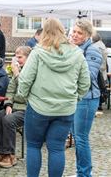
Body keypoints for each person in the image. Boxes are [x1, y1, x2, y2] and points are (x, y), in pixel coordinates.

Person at [18, 18, 90, 177]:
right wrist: (74, 98)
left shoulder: (38, 52)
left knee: (33, 146)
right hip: (65, 109)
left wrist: (23, 97)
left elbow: (24, 79)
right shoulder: (77, 53)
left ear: (44, 32)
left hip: (38, 106)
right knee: (57, 148)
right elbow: (85, 83)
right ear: (63, 31)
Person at [70, 20, 103, 177]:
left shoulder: (92, 51)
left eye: (79, 33)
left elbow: (88, 77)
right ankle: (80, 172)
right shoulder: (75, 49)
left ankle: (84, 174)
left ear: (88, 35)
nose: (75, 35)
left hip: (87, 98)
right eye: (74, 31)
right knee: (77, 137)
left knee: (81, 138)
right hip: (75, 98)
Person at [0, 46, 31, 168]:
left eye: (20, 57)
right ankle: (2, 152)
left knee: (8, 120)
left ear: (29, 58)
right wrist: (8, 104)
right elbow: (10, 90)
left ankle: (10, 155)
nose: (17, 60)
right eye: (16, 57)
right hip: (15, 106)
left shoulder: (32, 71)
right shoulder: (17, 71)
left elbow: (26, 90)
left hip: (28, 108)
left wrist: (17, 73)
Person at [92, 32, 108, 113]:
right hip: (103, 70)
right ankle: (100, 105)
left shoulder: (94, 47)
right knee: (101, 88)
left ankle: (97, 105)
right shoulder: (103, 46)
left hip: (97, 70)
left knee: (96, 88)